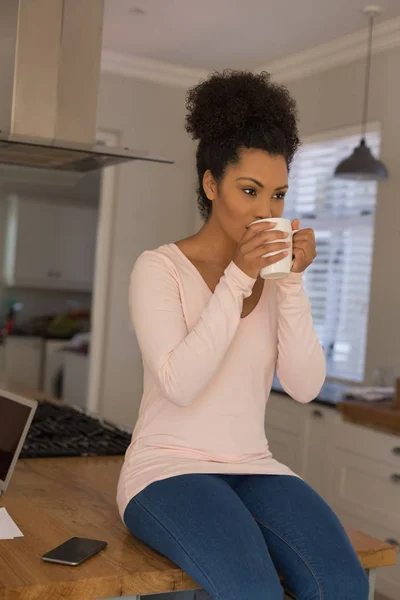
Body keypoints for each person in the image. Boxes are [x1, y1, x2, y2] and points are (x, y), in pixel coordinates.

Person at [117, 71, 369, 600]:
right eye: (249, 191)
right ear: (212, 185)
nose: (265, 212)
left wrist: (292, 283)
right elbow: (179, 385)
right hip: (165, 469)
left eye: (277, 196)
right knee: (254, 591)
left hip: (254, 464)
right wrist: (237, 277)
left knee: (344, 586)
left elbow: (303, 386)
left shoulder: (276, 282)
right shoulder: (158, 268)